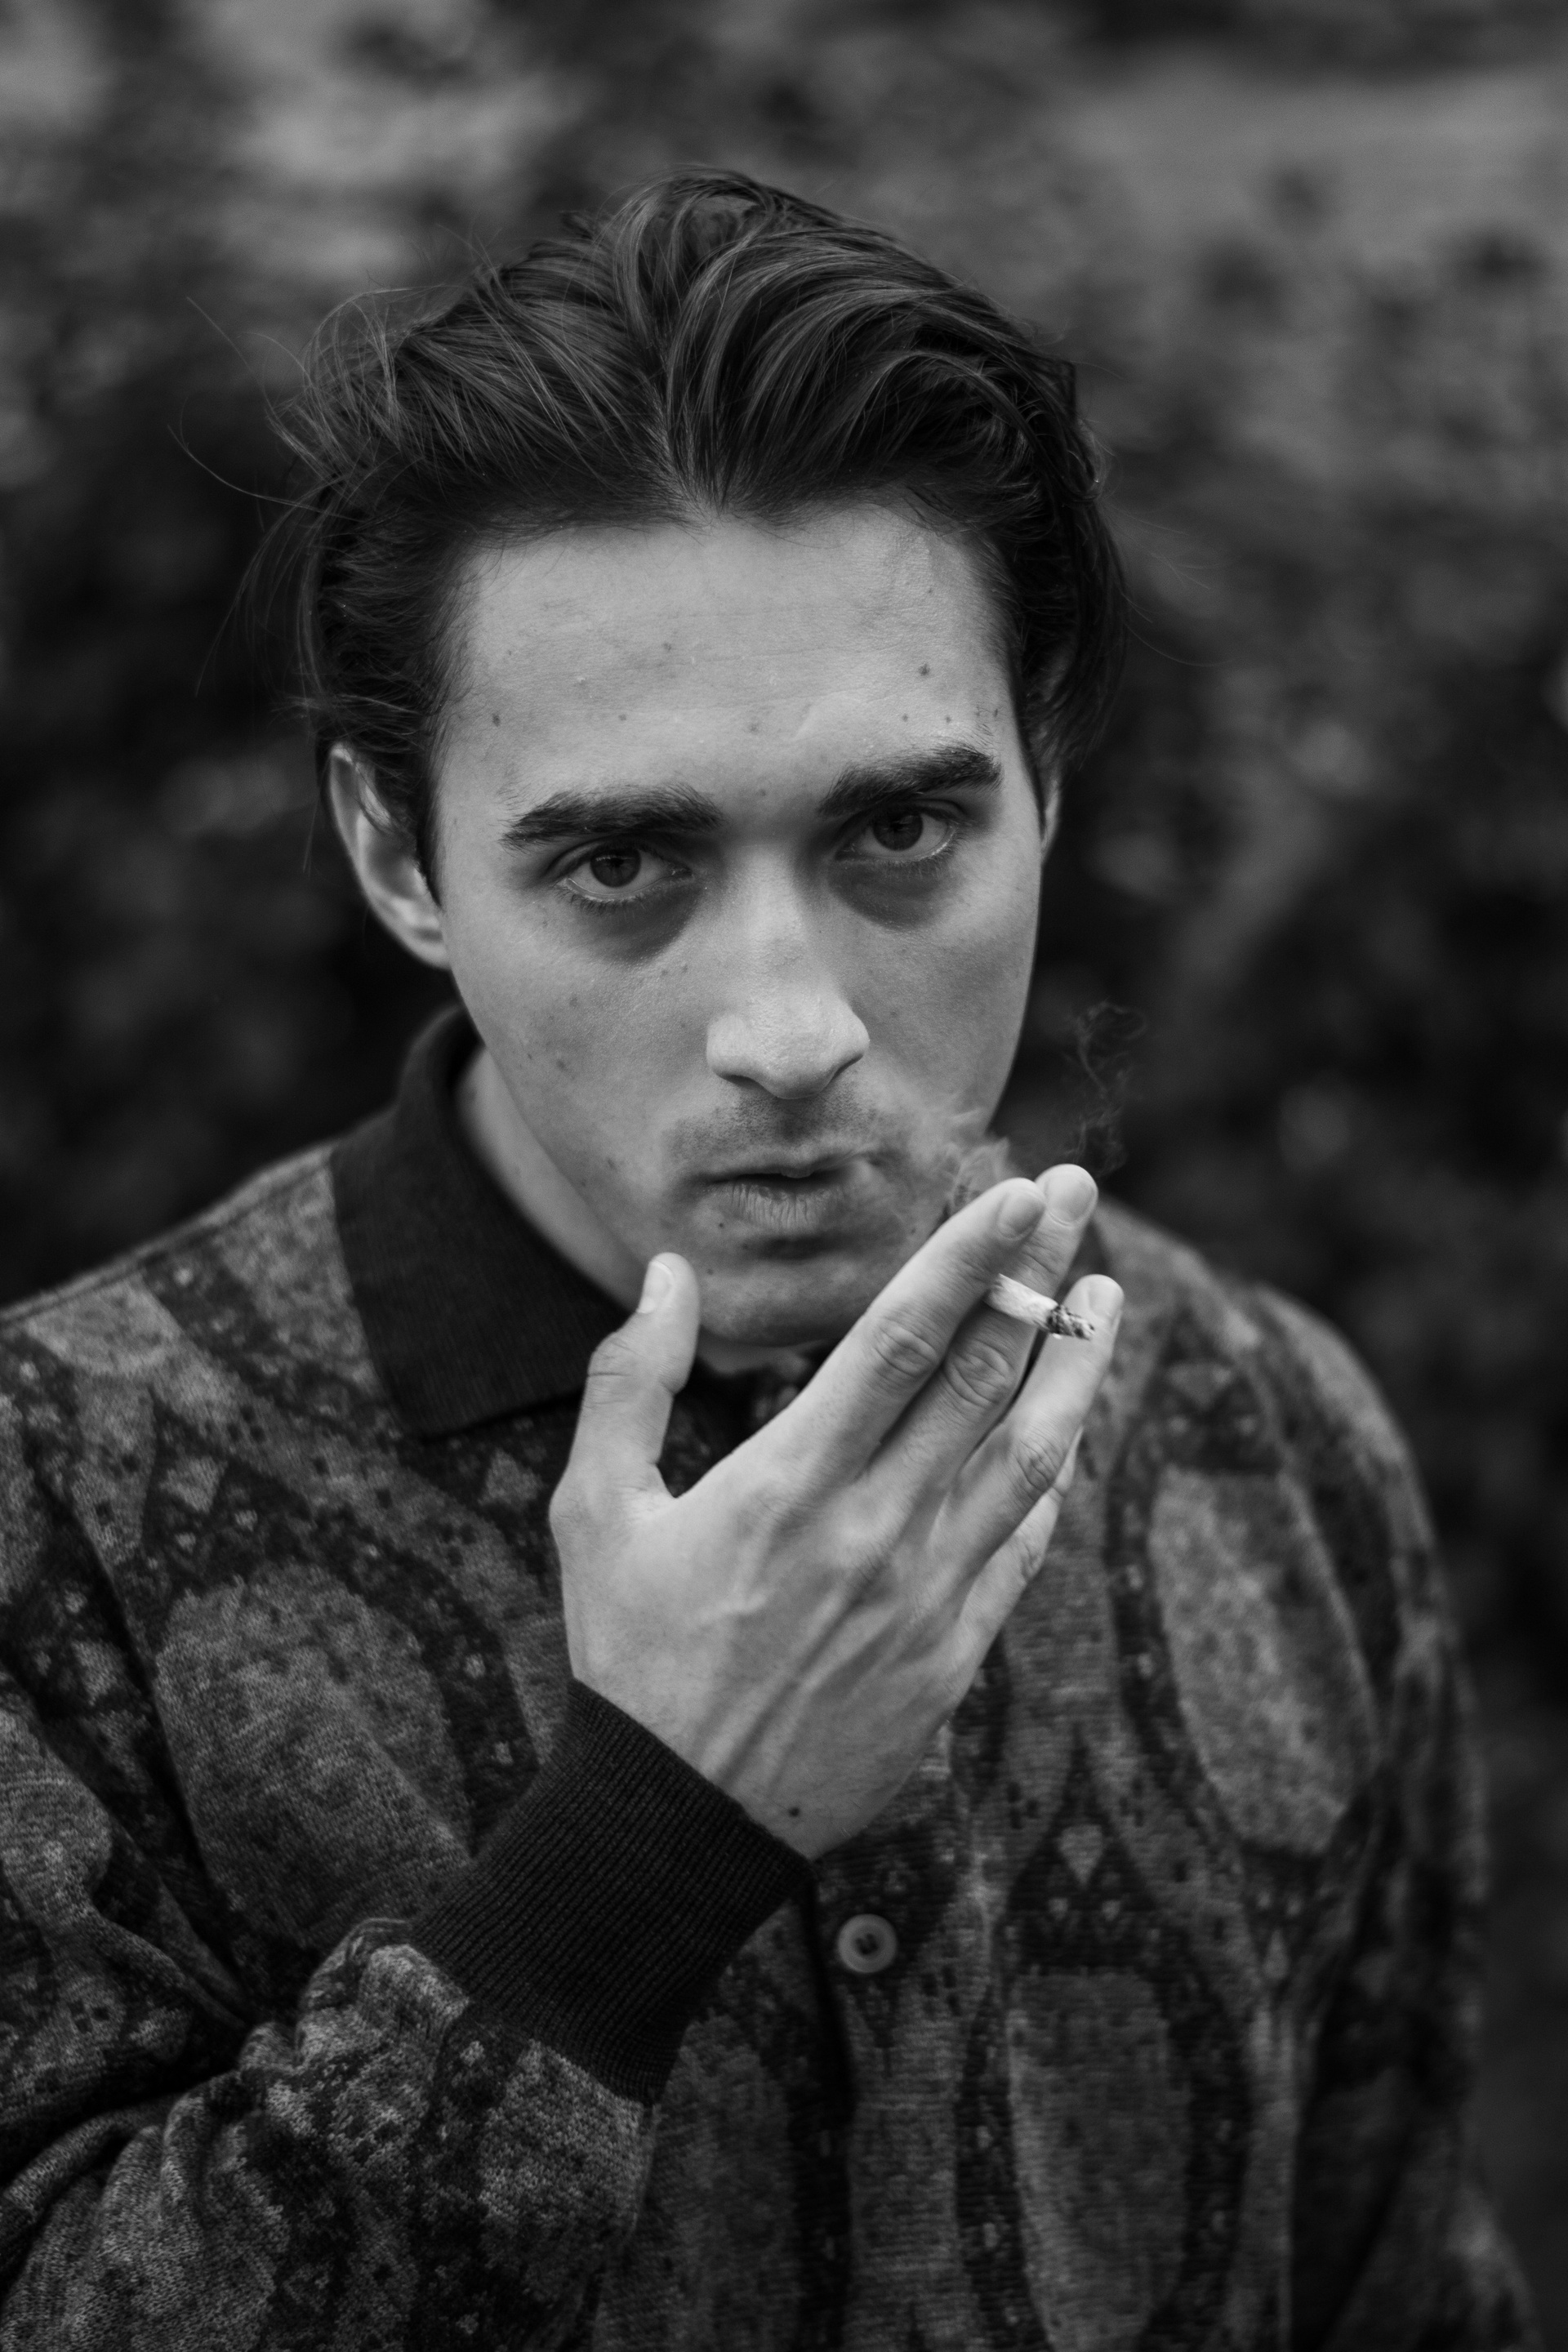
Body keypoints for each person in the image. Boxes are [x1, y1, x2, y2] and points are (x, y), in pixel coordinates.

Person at [0, 171, 1537, 2352]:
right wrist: (642, 1848)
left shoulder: (1267, 1437)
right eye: (623, 862)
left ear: (1044, 781)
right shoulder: (52, 1512)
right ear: (395, 855)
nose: (793, 1027)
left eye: (898, 829)